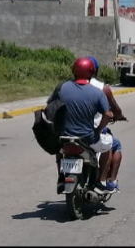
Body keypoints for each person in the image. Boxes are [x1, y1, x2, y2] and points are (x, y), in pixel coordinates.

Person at [48, 57, 115, 193]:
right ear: (92, 72)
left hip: (64, 136)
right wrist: (98, 130)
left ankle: (61, 176)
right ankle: (99, 182)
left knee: (59, 151)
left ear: (74, 71)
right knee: (109, 145)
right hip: (88, 138)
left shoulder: (61, 87)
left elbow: (50, 106)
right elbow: (108, 115)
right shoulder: (97, 92)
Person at [83, 57, 125, 192]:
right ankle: (107, 181)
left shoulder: (67, 87)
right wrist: (117, 116)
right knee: (114, 144)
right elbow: (112, 112)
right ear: (96, 71)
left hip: (70, 132)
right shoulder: (102, 88)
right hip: (92, 132)